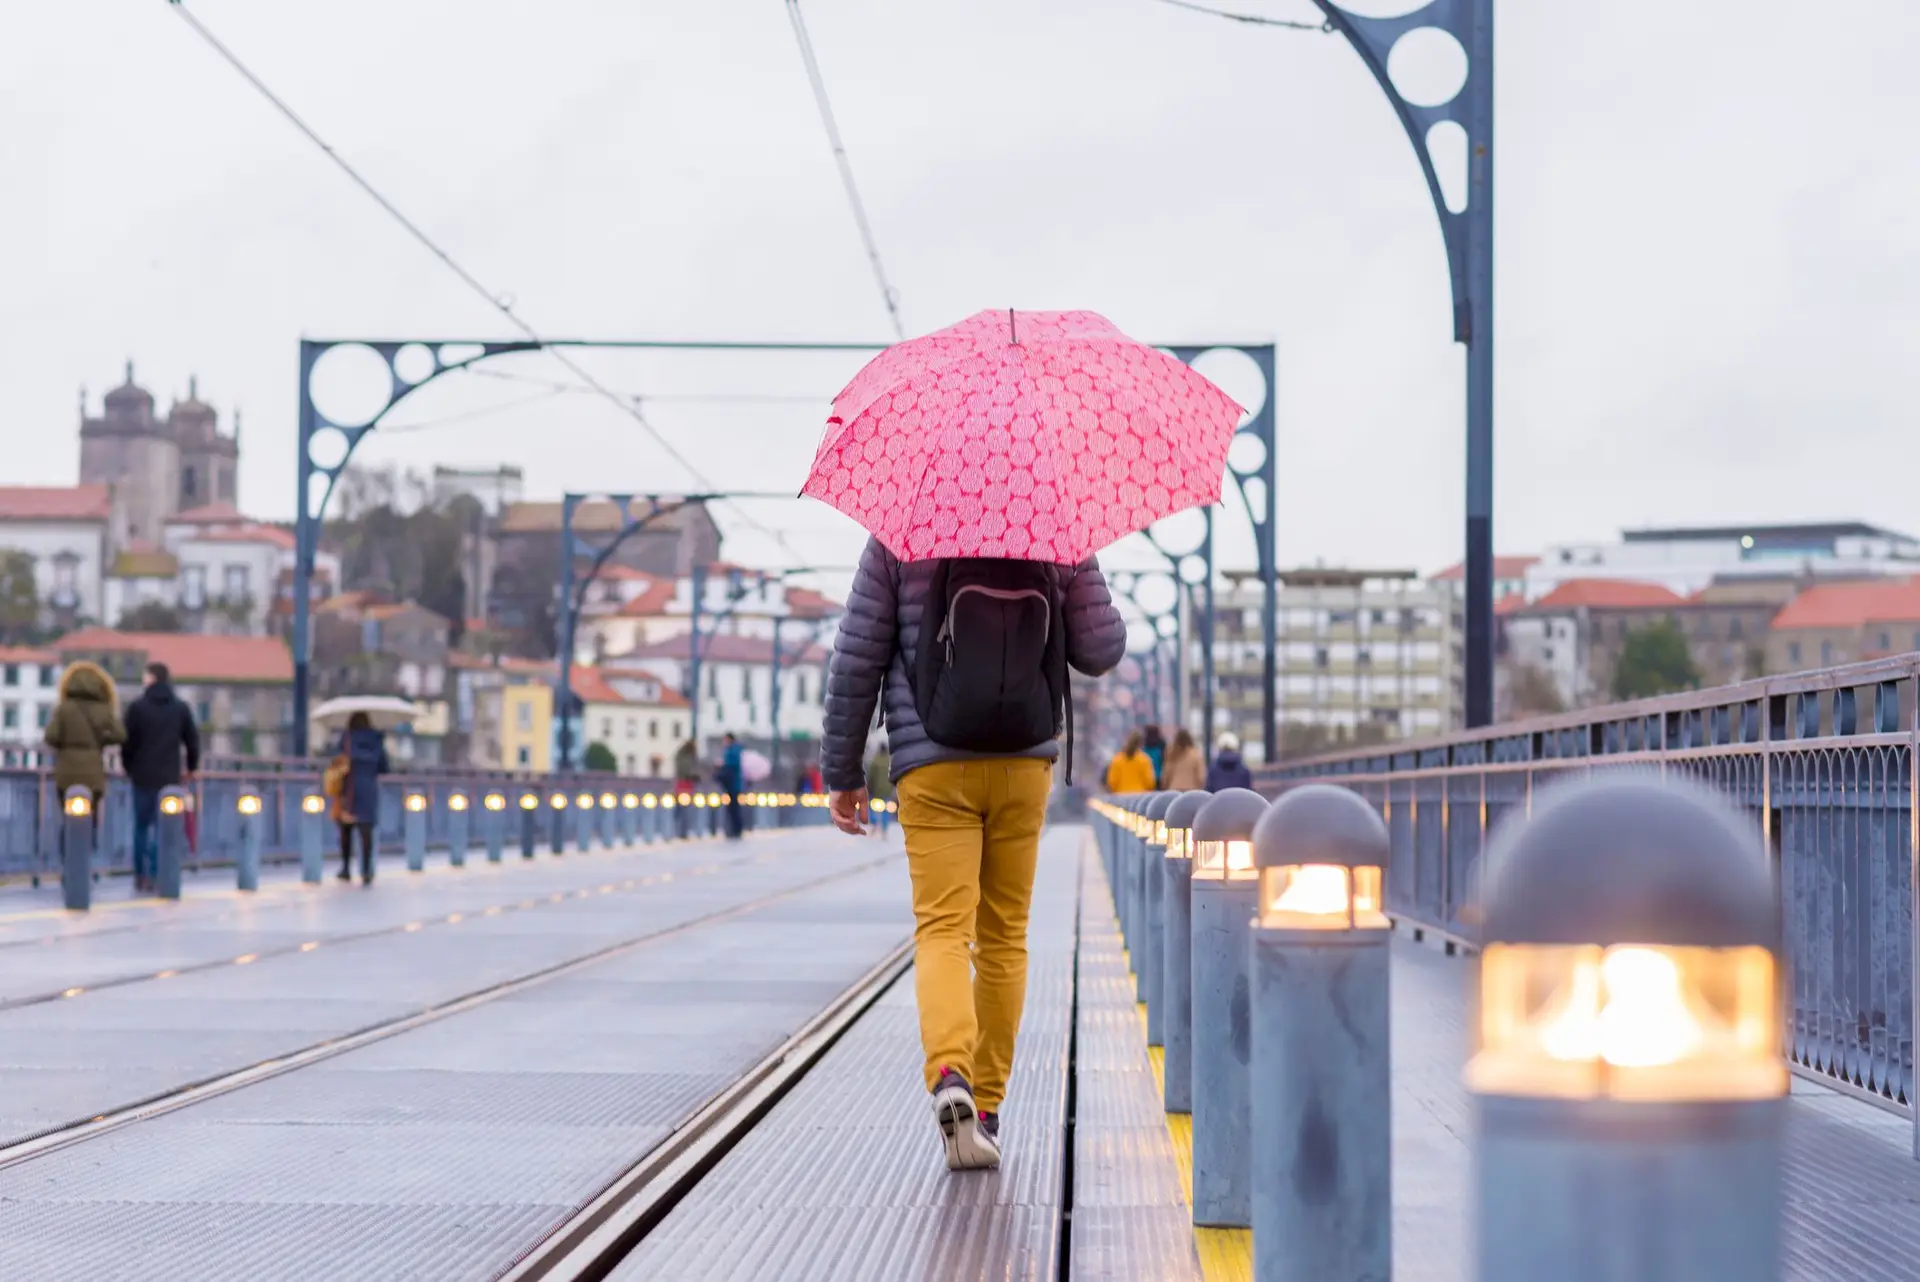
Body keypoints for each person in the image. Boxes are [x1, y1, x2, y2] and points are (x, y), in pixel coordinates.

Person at [822, 535, 1125, 1172]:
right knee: (1004, 937)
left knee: (942, 929)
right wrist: (1078, 561)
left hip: (932, 759)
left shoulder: (902, 526)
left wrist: (843, 772)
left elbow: (856, 655)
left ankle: (950, 1074)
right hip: (1023, 761)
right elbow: (1101, 649)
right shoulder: (1057, 520)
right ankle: (985, 1108)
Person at [119, 661, 199, 895]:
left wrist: (128, 767)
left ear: (151, 678)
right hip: (169, 779)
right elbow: (192, 741)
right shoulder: (180, 708)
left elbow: (127, 743)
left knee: (141, 826)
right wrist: (191, 768)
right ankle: (156, 872)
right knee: (163, 826)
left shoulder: (137, 708)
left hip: (142, 776)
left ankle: (140, 875)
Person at [45, 659, 125, 873]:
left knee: (68, 818)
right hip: (93, 772)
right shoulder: (103, 709)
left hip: (66, 772)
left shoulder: (63, 709)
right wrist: (100, 742)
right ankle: (85, 860)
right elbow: (120, 734)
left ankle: (66, 862)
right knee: (90, 817)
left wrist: (66, 743)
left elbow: (51, 736)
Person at [338, 711, 390, 884]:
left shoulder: (347, 738)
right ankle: (366, 870)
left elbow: (338, 760)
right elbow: (384, 767)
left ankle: (346, 868)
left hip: (349, 787)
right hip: (368, 789)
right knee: (366, 830)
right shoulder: (376, 740)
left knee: (346, 828)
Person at [717, 732, 745, 840]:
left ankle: (736, 829)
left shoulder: (732, 751)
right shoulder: (732, 750)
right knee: (732, 808)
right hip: (731, 784)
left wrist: (722, 766)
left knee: (733, 808)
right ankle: (734, 829)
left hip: (732, 784)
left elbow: (731, 766)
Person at [1161, 727, 1206, 792]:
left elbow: (1165, 778)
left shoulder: (1172, 754)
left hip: (1173, 791)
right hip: (1191, 792)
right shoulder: (1196, 755)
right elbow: (1201, 778)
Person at [865, 740, 894, 837]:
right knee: (885, 808)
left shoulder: (875, 761)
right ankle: (884, 828)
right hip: (887, 791)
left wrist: (869, 788)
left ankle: (874, 824)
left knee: (872, 807)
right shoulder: (889, 761)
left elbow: (871, 776)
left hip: (876, 790)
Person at [673, 738, 699, 838]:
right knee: (684, 810)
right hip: (685, 785)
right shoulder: (687, 757)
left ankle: (681, 830)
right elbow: (685, 771)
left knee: (682, 810)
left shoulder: (681, 756)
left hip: (683, 785)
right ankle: (682, 831)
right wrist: (692, 776)